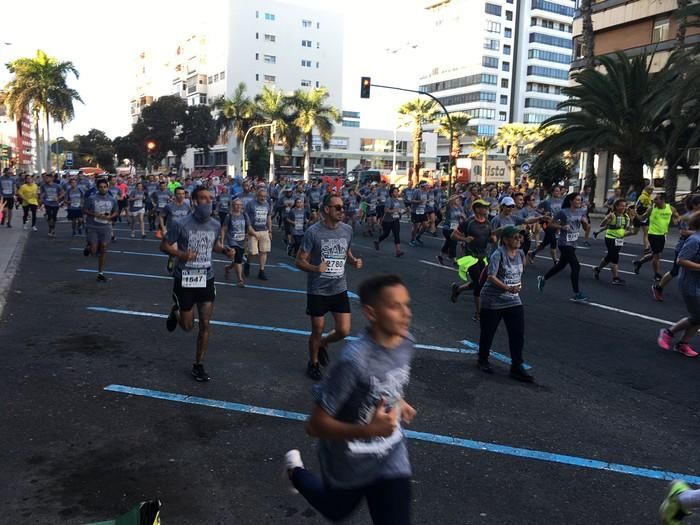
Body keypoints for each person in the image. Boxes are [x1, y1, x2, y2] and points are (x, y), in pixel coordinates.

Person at [283, 274, 416, 524]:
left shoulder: (407, 342)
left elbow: (389, 380)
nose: (405, 313)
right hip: (348, 460)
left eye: (406, 305)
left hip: (391, 458)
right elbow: (314, 425)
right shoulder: (353, 362)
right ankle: (295, 473)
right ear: (371, 313)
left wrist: (399, 401)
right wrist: (370, 430)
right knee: (336, 511)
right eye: (394, 306)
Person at [162, 186, 235, 382]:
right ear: (194, 201)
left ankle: (198, 365)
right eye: (203, 198)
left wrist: (225, 250)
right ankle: (176, 311)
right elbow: (164, 245)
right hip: (184, 278)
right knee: (187, 326)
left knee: (205, 323)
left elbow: (215, 246)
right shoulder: (180, 223)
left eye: (210, 198)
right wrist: (181, 254)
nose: (208, 201)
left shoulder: (215, 224)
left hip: (206, 278)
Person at [296, 194, 363, 380]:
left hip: (339, 288)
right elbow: (299, 261)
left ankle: (323, 343)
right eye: (338, 208)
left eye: (343, 207)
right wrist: (316, 268)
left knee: (344, 331)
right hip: (318, 290)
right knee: (317, 329)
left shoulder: (347, 230)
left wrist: (354, 261)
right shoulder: (313, 232)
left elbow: (346, 253)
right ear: (326, 209)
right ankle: (314, 363)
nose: (342, 211)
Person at [477, 226, 533, 382]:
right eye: (515, 237)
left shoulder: (520, 253)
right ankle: (482, 359)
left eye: (519, 237)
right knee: (488, 332)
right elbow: (490, 277)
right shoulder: (498, 254)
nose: (518, 240)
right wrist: (508, 287)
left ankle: (516, 366)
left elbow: (522, 268)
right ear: (506, 239)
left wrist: (516, 286)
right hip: (492, 298)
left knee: (517, 333)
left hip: (513, 299)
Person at [657, 211, 700, 358]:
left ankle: (682, 343)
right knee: (697, 316)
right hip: (691, 283)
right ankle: (669, 333)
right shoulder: (694, 240)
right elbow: (681, 260)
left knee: (698, 316)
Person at [536, 192, 589, 302]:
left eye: (580, 200)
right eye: (578, 200)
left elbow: (585, 227)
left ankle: (543, 278)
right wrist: (562, 226)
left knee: (561, 265)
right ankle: (577, 293)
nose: (580, 202)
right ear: (571, 201)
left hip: (573, 242)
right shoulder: (563, 212)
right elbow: (550, 224)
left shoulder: (581, 212)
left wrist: (585, 223)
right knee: (576, 266)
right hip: (564, 243)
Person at [450, 199, 493, 321]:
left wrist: (492, 239)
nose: (486, 209)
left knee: (479, 283)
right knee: (479, 284)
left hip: (483, 257)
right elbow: (453, 235)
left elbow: (488, 237)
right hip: (470, 257)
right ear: (477, 209)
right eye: (483, 207)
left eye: (486, 207)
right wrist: (464, 239)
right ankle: (478, 313)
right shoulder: (468, 222)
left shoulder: (488, 223)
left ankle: (458, 289)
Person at [653, 195, 700, 301]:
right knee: (675, 271)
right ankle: (658, 287)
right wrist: (696, 232)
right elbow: (683, 232)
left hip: (697, 247)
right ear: (695, 205)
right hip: (684, 247)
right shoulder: (689, 217)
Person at [633, 193, 680, 281]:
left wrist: (676, 221)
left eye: (656, 199)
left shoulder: (670, 208)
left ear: (662, 200)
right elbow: (642, 218)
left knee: (654, 255)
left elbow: (677, 217)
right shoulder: (652, 209)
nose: (654, 201)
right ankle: (656, 274)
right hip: (653, 234)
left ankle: (639, 262)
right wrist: (634, 213)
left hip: (663, 235)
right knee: (657, 255)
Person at [83, 179, 119, 282]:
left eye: (105, 187)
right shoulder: (92, 198)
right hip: (93, 226)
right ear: (97, 188)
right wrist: (95, 215)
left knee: (103, 248)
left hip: (106, 227)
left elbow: (116, 211)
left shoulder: (112, 199)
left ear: (107, 187)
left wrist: (110, 216)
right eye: (101, 187)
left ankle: (100, 273)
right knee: (94, 251)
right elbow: (84, 209)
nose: (103, 189)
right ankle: (89, 248)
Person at [592, 198, 633, 285]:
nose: (623, 207)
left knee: (609, 257)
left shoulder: (626, 217)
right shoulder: (612, 215)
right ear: (616, 206)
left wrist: (630, 229)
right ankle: (615, 278)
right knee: (615, 257)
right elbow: (603, 225)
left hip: (619, 239)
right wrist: (606, 219)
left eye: (625, 206)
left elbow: (628, 229)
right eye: (621, 205)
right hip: (610, 238)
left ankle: (597, 269)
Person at [244, 187, 272, 281]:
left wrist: (270, 231)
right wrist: (249, 228)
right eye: (261, 196)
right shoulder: (250, 204)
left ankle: (261, 271)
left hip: (264, 230)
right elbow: (246, 216)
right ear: (257, 195)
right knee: (253, 252)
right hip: (253, 230)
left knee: (264, 251)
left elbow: (269, 217)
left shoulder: (267, 204)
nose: (263, 198)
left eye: (264, 196)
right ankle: (248, 263)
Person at [162, 187, 193, 273]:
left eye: (183, 194)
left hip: (184, 232)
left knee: (183, 251)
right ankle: (171, 260)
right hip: (172, 232)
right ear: (175, 195)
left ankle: (178, 268)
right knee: (174, 252)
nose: (181, 196)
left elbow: (190, 218)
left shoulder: (187, 206)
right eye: (179, 194)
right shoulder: (169, 206)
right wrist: (163, 228)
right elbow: (161, 216)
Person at [221, 198, 249, 287]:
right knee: (238, 258)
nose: (238, 206)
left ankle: (228, 268)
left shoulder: (244, 215)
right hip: (232, 240)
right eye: (236, 205)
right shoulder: (229, 216)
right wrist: (222, 240)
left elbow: (248, 227)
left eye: (240, 205)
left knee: (238, 258)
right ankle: (240, 280)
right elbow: (224, 228)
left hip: (242, 240)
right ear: (232, 206)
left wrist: (248, 237)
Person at [374, 186, 405, 257]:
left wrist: (405, 211)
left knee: (396, 234)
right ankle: (377, 242)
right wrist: (395, 210)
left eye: (397, 192)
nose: (397, 193)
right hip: (388, 221)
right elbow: (386, 210)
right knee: (386, 234)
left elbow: (398, 211)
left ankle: (398, 251)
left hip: (395, 220)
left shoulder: (397, 200)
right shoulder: (389, 200)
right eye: (395, 192)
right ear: (391, 193)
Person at [437, 194, 466, 266]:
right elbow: (449, 201)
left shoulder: (460, 208)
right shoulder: (449, 207)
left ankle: (440, 256)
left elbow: (464, 218)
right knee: (453, 243)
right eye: (457, 199)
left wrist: (462, 217)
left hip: (455, 228)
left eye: (459, 200)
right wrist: (457, 195)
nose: (459, 201)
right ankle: (455, 261)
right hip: (447, 228)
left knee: (448, 243)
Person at [40, 173, 64, 237]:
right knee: (49, 217)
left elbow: (62, 193)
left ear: (52, 178)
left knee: (54, 217)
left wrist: (58, 198)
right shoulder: (43, 186)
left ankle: (52, 228)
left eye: (47, 178)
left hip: (55, 204)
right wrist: (41, 200)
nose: (46, 179)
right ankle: (51, 229)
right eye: (45, 178)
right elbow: (41, 194)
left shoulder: (57, 186)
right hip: (47, 203)